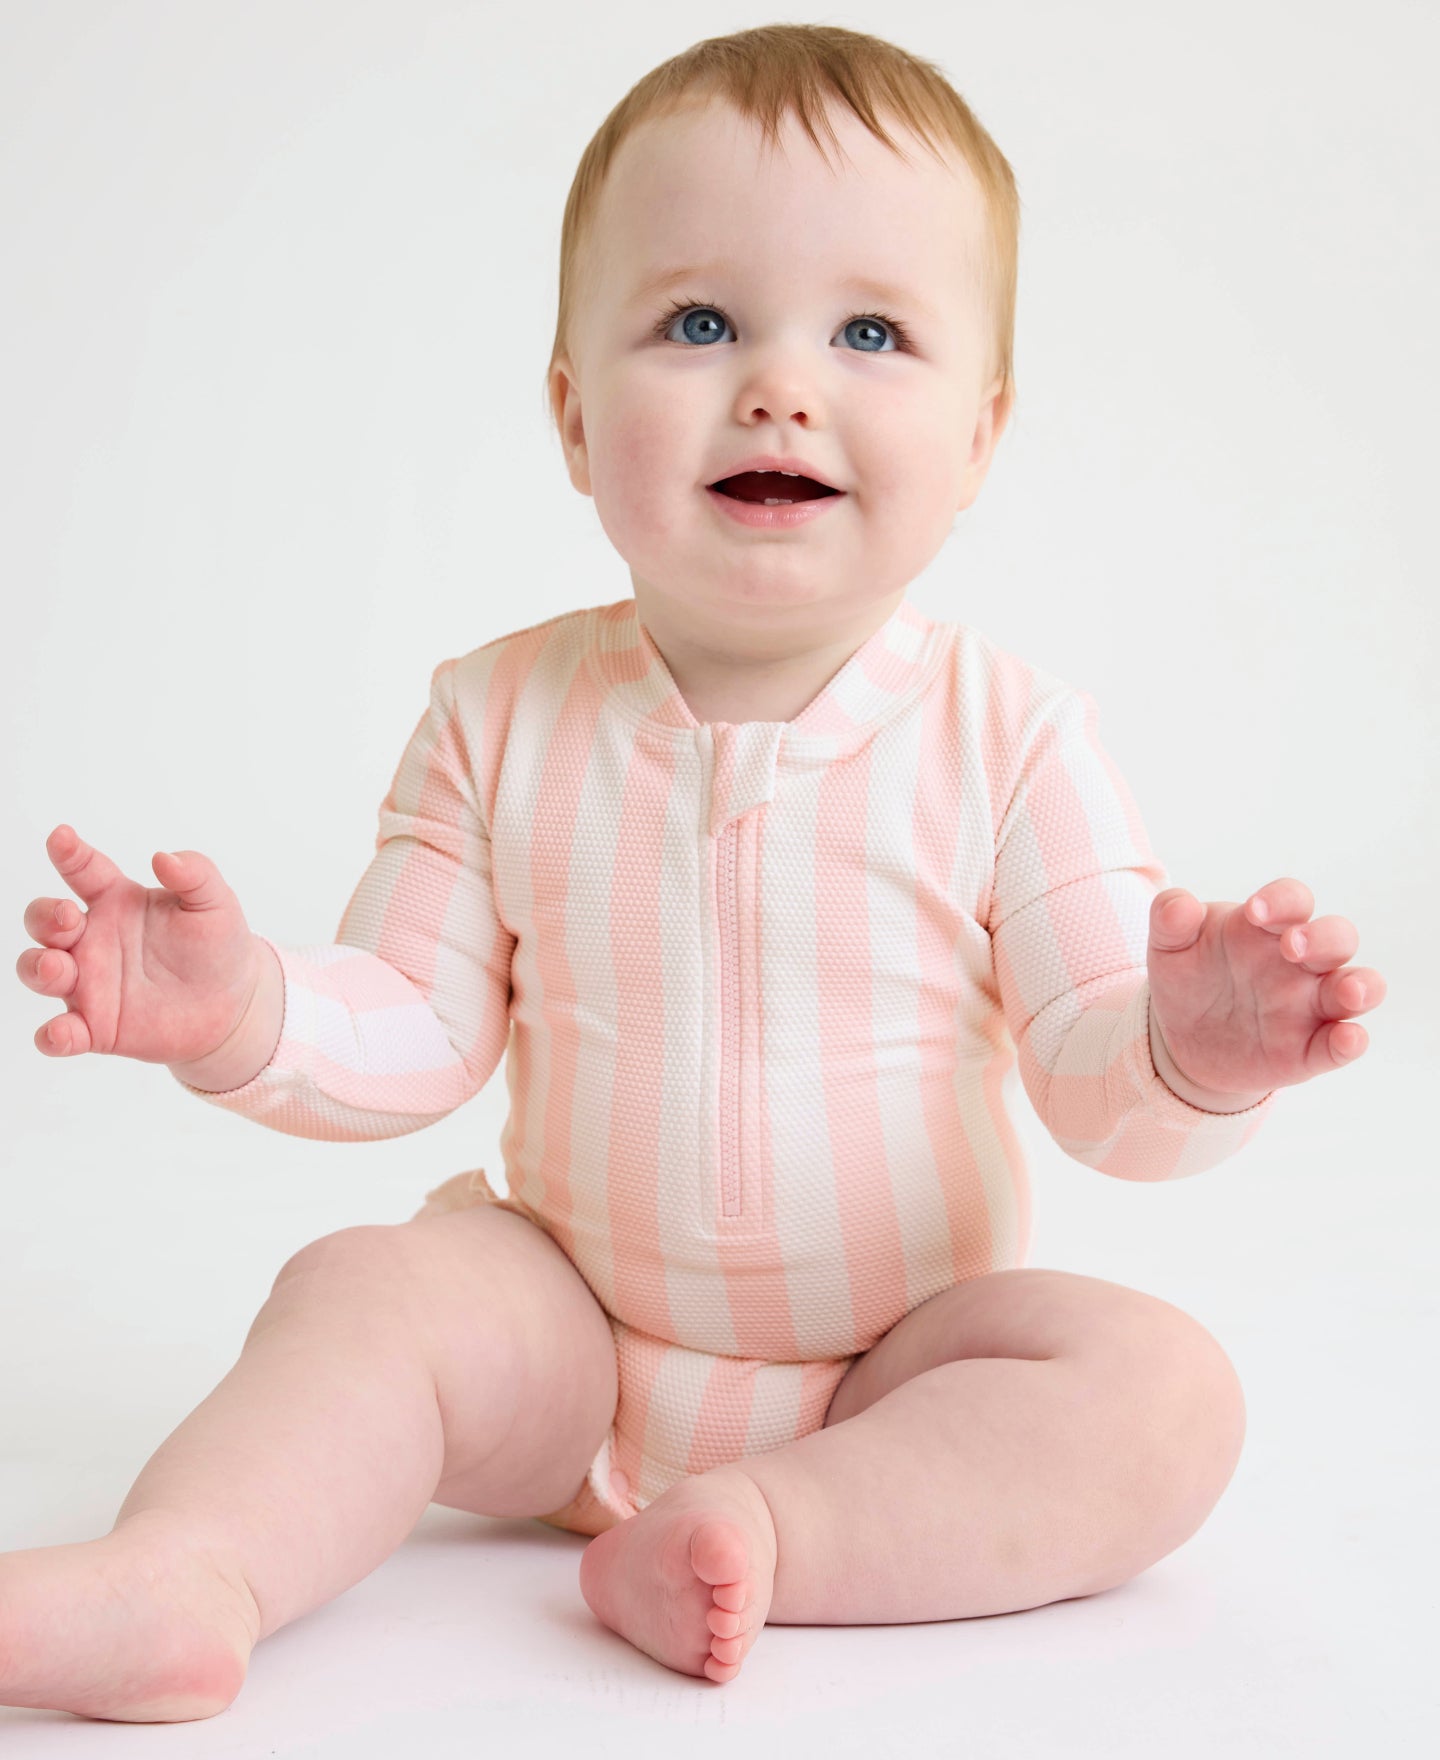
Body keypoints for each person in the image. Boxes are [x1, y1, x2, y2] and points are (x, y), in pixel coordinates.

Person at [5, 21, 1385, 1722]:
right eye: (700, 321)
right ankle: (190, 1573)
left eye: (872, 330)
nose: (780, 384)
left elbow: (1101, 1083)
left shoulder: (1015, 739)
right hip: (565, 1337)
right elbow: (413, 1029)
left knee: (1163, 1393)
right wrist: (244, 1011)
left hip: (902, 1378)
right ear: (578, 421)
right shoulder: (497, 713)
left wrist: (1190, 1047)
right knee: (366, 1291)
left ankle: (775, 1534)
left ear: (981, 437)